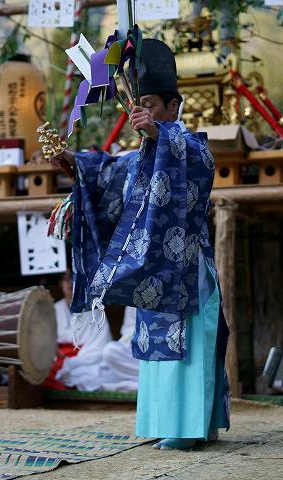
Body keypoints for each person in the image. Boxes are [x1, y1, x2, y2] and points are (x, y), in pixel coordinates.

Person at [52, 39, 230, 450]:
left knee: (191, 349)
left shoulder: (194, 148)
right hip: (154, 270)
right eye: (140, 103)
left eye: (151, 104)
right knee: (157, 352)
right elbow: (107, 175)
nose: (143, 111)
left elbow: (189, 165)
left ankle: (191, 428)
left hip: (187, 268)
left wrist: (158, 135)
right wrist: (73, 163)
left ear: (174, 107)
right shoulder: (139, 158)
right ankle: (170, 423)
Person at [44, 270, 113, 390]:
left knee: (92, 377)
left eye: (75, 278)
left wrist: (71, 362)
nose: (71, 283)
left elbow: (100, 346)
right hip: (57, 358)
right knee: (42, 373)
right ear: (60, 283)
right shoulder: (52, 310)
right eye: (66, 279)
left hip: (84, 360)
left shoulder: (95, 311)